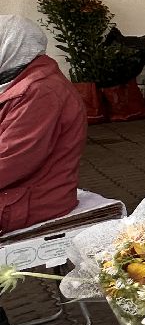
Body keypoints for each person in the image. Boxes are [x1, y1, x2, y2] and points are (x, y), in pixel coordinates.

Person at [0, 16, 85, 234]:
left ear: (12, 46)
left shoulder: (40, 91)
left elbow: (10, 161)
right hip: (17, 195)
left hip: (28, 201)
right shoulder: (18, 80)